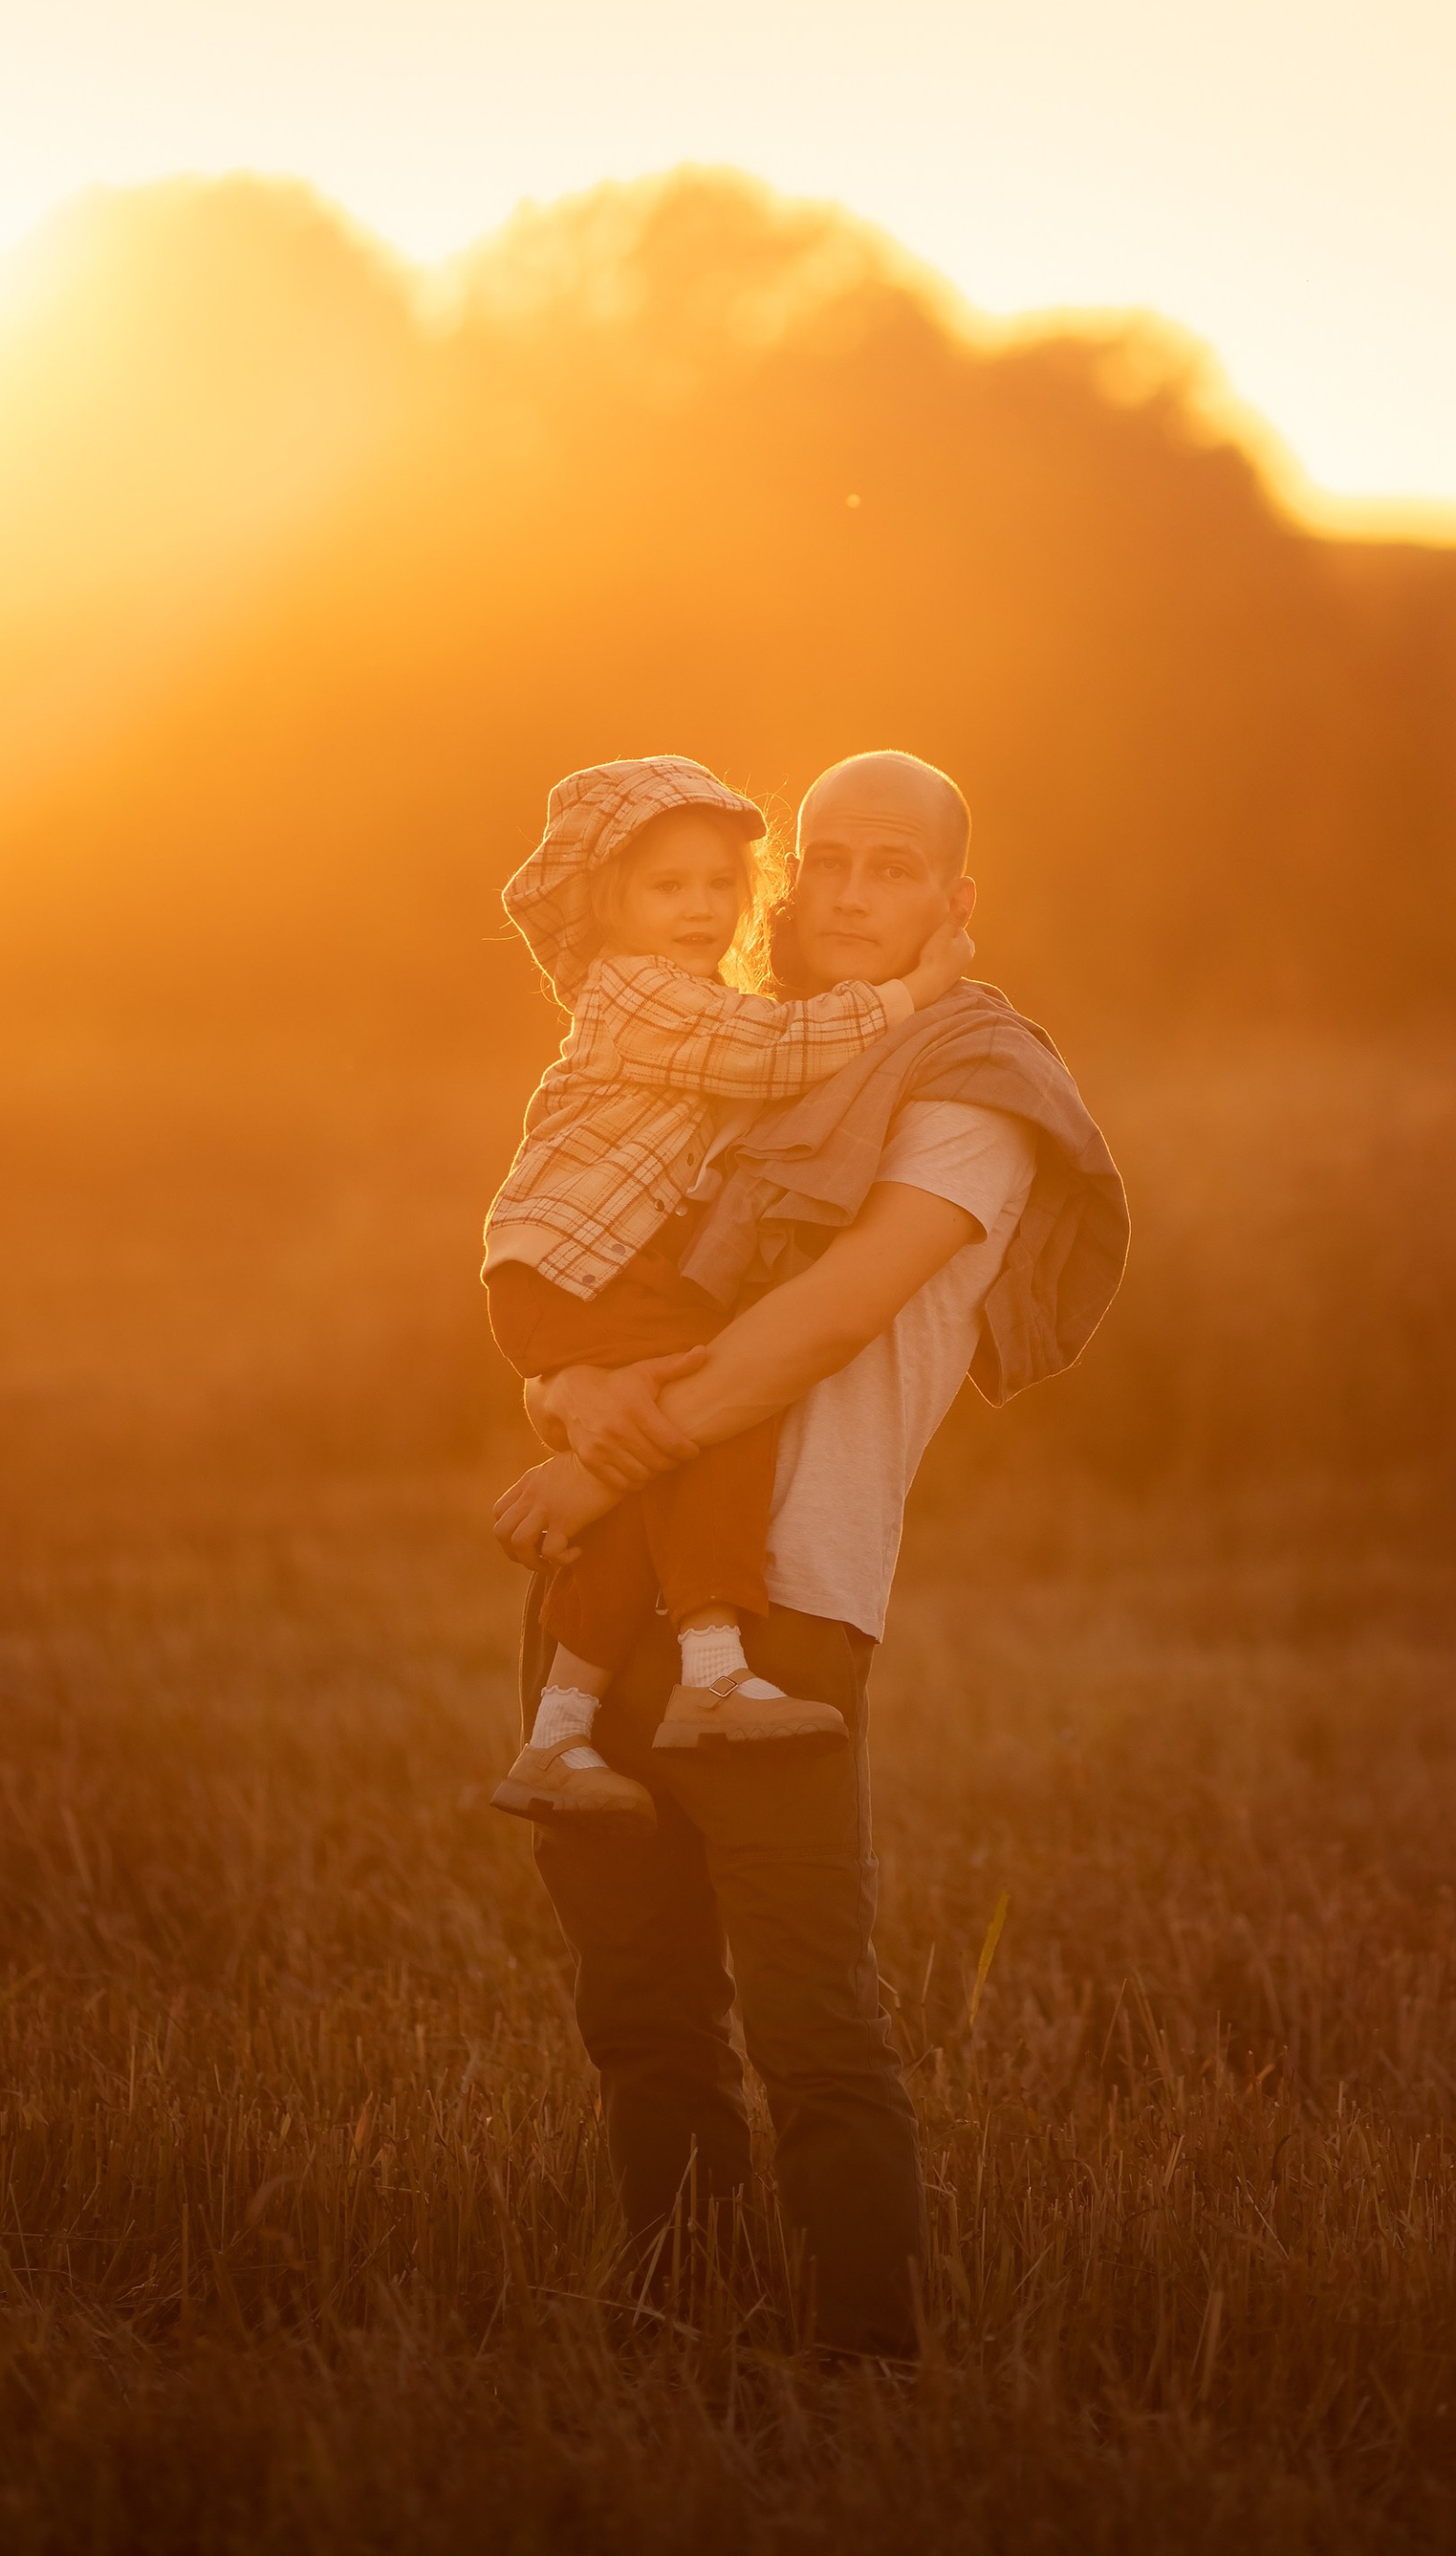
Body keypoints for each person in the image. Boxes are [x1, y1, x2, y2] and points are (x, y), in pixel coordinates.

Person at [483, 748, 1128, 2361]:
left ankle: (862, 2379)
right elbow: (585, 1257)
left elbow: (823, 1317)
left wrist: (592, 1465)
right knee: (643, 2023)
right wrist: (558, 1388)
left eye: (891, 869)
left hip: (782, 1604)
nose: (848, 895)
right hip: (605, 1588)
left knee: (813, 2027)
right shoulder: (730, 1056)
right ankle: (679, 2341)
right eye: (825, 861)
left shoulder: (972, 1081)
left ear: (952, 903)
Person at [478, 754, 978, 1823]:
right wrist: (919, 989)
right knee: (726, 1392)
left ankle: (559, 1733)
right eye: (668, 889)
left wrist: (568, 1407)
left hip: (567, 1280)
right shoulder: (646, 995)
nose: (701, 910)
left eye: (718, 887)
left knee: (640, 1480)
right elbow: (787, 1048)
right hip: (579, 1272)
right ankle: (711, 1666)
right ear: (610, 904)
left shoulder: (693, 996)